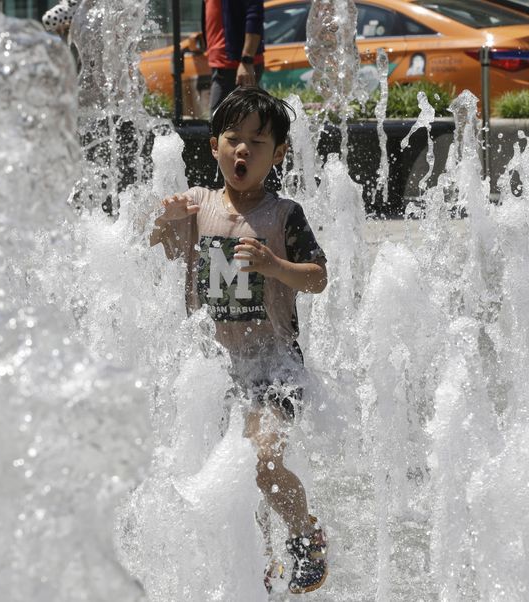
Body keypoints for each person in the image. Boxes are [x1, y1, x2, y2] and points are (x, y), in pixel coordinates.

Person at [149, 87, 329, 595]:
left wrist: (274, 265)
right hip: (218, 370)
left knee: (262, 461)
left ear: (279, 155)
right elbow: (159, 248)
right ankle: (261, 566)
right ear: (213, 147)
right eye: (233, 139)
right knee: (233, 478)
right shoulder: (197, 206)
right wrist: (164, 222)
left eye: (257, 141)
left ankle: (306, 534)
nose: (242, 150)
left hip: (275, 367)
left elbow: (317, 277)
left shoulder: (284, 214)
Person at [203, 0, 266, 114]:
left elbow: (254, 15)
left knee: (220, 124)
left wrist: (247, 61)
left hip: (237, 66)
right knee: (233, 123)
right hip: (221, 63)